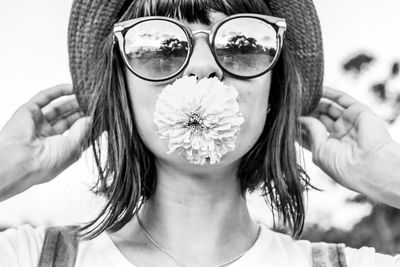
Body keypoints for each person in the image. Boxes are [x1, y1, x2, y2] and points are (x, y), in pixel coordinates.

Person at [0, 0, 400, 266]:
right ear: (122, 87)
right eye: (160, 46)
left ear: (273, 89)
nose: (204, 66)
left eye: (243, 42)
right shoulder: (26, 257)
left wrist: (390, 177)